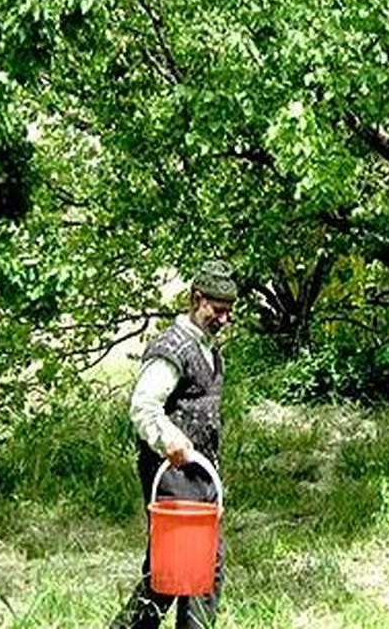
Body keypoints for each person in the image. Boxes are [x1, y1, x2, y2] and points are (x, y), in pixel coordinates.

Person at [111, 259, 237, 629]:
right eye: (218, 310)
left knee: (194, 573)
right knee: (178, 573)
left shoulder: (211, 350)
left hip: (201, 476)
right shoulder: (172, 346)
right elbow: (143, 407)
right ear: (197, 299)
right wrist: (170, 440)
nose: (225, 319)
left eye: (229, 311)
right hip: (171, 476)